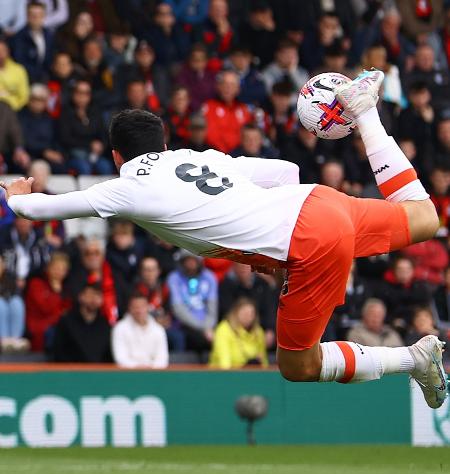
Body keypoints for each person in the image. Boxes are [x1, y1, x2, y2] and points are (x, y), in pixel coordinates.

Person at [3, 70, 448, 409]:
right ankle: (366, 112)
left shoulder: (126, 187)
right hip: (315, 200)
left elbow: (38, 208)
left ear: (118, 155)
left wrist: (17, 194)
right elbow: (286, 173)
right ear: (163, 143)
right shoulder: (195, 156)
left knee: (299, 365)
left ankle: (414, 358)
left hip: (307, 240)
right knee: (425, 218)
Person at [52, 283, 112, 363]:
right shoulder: (66, 322)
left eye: (98, 296)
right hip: (71, 371)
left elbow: (108, 354)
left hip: (99, 372)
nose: (94, 299)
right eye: (90, 295)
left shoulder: (105, 325)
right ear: (81, 297)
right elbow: (59, 351)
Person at [25, 251, 71, 351]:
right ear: (48, 268)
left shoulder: (67, 289)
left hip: (57, 326)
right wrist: (56, 291)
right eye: (56, 267)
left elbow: (68, 310)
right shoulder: (36, 284)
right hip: (40, 328)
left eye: (62, 269)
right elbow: (46, 308)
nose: (58, 272)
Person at [111, 292, 169, 368]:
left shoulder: (159, 330)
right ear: (129, 308)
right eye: (135, 307)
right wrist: (139, 369)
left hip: (154, 375)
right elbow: (120, 359)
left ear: (148, 307)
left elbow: (162, 359)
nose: (139, 310)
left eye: (142, 306)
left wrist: (149, 369)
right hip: (128, 375)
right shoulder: (119, 328)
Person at [209, 297, 268, 369]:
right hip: (224, 376)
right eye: (245, 313)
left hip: (252, 375)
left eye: (251, 314)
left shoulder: (259, 332)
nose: (248, 317)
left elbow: (264, 362)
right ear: (236, 313)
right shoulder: (224, 329)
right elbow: (224, 363)